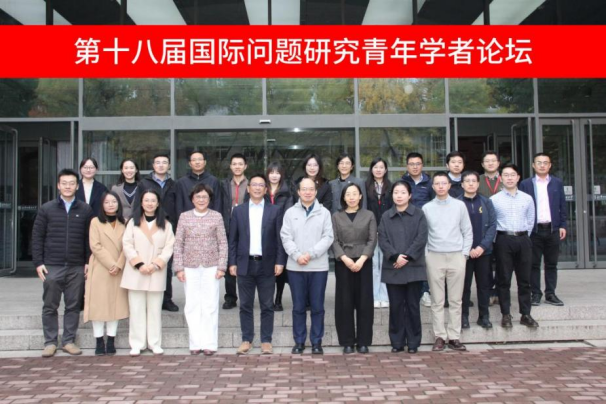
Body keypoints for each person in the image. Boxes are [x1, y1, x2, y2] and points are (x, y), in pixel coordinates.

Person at [32, 168, 94, 358]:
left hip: (76, 265)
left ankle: (68, 341)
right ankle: (50, 342)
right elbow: (37, 237)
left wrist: (87, 261)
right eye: (64, 183)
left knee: (73, 305)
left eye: (72, 183)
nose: (68, 186)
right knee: (50, 306)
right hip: (52, 265)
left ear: (77, 186)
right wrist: (38, 262)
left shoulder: (85, 209)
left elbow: (89, 238)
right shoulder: (47, 208)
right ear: (58, 186)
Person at [229, 174, 287, 355]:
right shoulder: (238, 211)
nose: (257, 188)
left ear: (265, 189)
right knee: (245, 304)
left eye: (261, 185)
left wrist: (280, 261)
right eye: (254, 184)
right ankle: (246, 339)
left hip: (267, 264)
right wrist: (232, 262)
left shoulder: (275, 210)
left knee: (267, 305)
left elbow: (279, 239)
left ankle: (266, 340)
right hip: (244, 264)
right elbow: (233, 240)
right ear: (248, 188)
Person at [281, 178, 334, 355]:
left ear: (316, 192)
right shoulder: (290, 213)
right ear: (298, 192)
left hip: (318, 267)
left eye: (311, 189)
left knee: (317, 307)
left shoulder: (324, 213)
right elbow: (285, 237)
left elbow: (328, 237)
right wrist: (297, 255)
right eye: (304, 189)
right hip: (295, 267)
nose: (307, 192)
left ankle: (317, 342)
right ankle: (299, 341)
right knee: (298, 307)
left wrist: (310, 254)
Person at [173, 184, 227, 356]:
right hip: (190, 267)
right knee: (192, 304)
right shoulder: (184, 217)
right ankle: (195, 343)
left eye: (205, 197)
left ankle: (210, 343)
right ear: (192, 199)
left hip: (212, 266)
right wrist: (179, 268)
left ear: (209, 199)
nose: (201, 200)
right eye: (198, 197)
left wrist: (222, 266)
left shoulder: (216, 216)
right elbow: (178, 243)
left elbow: (222, 243)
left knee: (210, 304)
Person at [120, 190, 175, 356]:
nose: (150, 203)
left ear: (158, 204)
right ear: (141, 203)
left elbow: (169, 247)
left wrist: (156, 264)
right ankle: (137, 343)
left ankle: (154, 343)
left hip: (156, 271)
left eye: (153, 200)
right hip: (136, 271)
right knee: (136, 309)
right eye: (146, 200)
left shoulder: (166, 224)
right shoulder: (133, 222)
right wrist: (139, 264)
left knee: (154, 310)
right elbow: (127, 244)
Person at [423, 172, 472, 352]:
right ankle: (439, 336)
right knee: (437, 300)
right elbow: (424, 234)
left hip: (456, 255)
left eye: (444, 183)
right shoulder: (427, 208)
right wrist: (427, 255)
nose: (441, 186)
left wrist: (464, 254)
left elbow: (467, 231)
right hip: (434, 256)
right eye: (437, 183)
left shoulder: (459, 206)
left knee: (455, 299)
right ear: (433, 186)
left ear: (450, 185)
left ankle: (454, 336)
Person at [378, 181, 428, 354]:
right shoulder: (386, 216)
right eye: (396, 192)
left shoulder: (419, 214)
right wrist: (395, 256)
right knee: (396, 306)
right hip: (393, 267)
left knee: (413, 306)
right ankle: (397, 341)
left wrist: (406, 257)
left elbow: (421, 238)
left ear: (409, 195)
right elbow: (382, 239)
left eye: (403, 192)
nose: (399, 196)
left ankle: (413, 342)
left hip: (413, 267)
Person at [490, 163, 538, 329]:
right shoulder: (494, 200)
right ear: (501, 178)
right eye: (506, 175)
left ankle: (526, 314)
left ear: (518, 177)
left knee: (525, 280)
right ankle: (506, 314)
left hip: (523, 239)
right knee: (504, 279)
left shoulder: (527, 198)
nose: (509, 178)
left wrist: (524, 237)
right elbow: (492, 223)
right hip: (503, 239)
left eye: (512, 175)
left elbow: (531, 220)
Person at [332, 184, 376, 354]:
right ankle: (347, 341)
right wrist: (345, 259)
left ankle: (364, 341)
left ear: (360, 196)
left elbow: (372, 240)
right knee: (344, 302)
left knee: (364, 302)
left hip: (364, 262)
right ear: (343, 197)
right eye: (348, 194)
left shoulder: (369, 215)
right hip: (343, 262)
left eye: (354, 194)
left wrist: (362, 259)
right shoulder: (336, 216)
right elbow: (334, 240)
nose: (351, 197)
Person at [83, 191, 129, 356]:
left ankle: (111, 340)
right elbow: (95, 246)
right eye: (107, 202)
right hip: (101, 268)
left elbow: (127, 246)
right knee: (99, 305)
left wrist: (119, 265)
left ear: (118, 204)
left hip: (119, 269)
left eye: (114, 201)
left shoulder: (125, 223)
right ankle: (98, 341)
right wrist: (111, 264)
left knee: (115, 305)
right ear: (102, 205)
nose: (111, 205)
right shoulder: (95, 222)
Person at [519, 152, 567, 307]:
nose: (542, 165)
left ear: (550, 165)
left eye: (545, 162)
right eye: (539, 162)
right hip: (534, 230)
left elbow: (562, 205)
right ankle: (535, 294)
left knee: (551, 264)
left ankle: (550, 294)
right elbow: (522, 207)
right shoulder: (526, 184)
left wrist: (563, 225)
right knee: (533, 264)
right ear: (533, 165)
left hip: (552, 229)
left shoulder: (557, 183)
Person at [139, 153, 179, 313]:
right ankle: (146, 296)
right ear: (153, 165)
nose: (161, 165)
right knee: (146, 261)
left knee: (165, 263)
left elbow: (177, 206)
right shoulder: (144, 183)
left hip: (168, 226)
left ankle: (166, 299)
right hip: (148, 225)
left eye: (164, 162)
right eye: (158, 162)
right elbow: (138, 204)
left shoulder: (174, 184)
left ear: (169, 166)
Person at [457, 171, 497, 330]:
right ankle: (464, 317)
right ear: (462, 184)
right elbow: (454, 228)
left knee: (484, 286)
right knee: (464, 286)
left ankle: (484, 316)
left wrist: (482, 247)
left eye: (474, 181)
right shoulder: (457, 203)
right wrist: (467, 249)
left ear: (478, 184)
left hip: (483, 252)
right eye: (467, 181)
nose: (471, 183)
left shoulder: (486, 202)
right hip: (463, 254)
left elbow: (493, 225)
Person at [401, 152, 434, 308]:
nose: (415, 167)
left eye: (418, 164)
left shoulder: (430, 183)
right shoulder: (402, 182)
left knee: (424, 260)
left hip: (425, 225)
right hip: (405, 225)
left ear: (422, 165)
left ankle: (425, 291)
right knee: (408, 257)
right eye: (412, 164)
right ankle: (408, 290)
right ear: (407, 166)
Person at [221, 153, 249, 310]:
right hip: (228, 227)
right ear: (230, 166)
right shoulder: (224, 185)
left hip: (246, 228)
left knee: (246, 262)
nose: (237, 166)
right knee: (229, 262)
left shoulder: (251, 185)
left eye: (240, 164)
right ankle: (230, 297)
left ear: (245, 166)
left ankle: (246, 296)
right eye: (234, 164)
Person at [266, 162, 294, 311]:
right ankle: (268, 298)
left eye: (277, 173)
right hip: (264, 233)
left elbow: (288, 214)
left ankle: (278, 299)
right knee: (267, 270)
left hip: (280, 233)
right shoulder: (262, 191)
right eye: (271, 172)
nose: (274, 175)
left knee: (280, 267)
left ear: (281, 175)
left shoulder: (287, 193)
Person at [366, 158, 392, 309]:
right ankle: (375, 295)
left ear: (386, 170)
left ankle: (385, 295)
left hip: (387, 230)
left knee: (385, 263)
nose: (378, 170)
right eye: (375, 167)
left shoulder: (391, 186)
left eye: (381, 167)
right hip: (371, 229)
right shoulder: (366, 186)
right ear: (371, 169)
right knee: (374, 264)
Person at [477, 150, 502, 307]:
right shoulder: (477, 180)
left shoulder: (506, 178)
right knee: (485, 264)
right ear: (482, 164)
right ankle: (488, 292)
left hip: (503, 228)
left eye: (493, 160)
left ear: (498, 163)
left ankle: (499, 291)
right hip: (484, 228)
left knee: (502, 262)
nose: (490, 163)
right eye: (487, 161)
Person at [174, 150, 222, 218]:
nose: (197, 162)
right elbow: (179, 205)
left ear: (205, 162)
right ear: (190, 163)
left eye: (200, 159)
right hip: (188, 220)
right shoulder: (182, 182)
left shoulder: (214, 181)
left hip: (209, 220)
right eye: (194, 160)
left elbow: (217, 204)